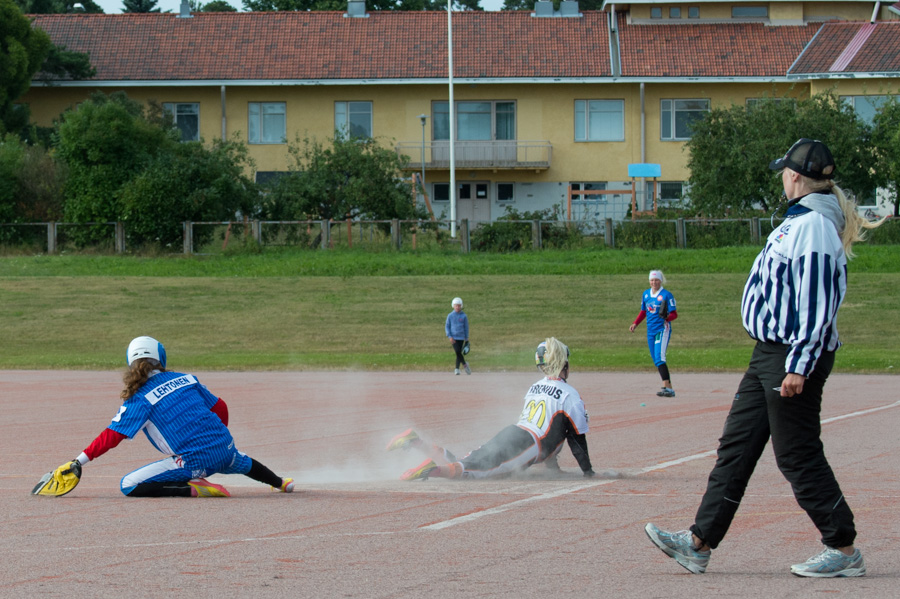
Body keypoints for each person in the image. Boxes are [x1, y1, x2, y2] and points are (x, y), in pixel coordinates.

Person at [645, 138, 885, 577]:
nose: (781, 176)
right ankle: (699, 543)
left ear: (794, 176)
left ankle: (844, 550)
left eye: (783, 171)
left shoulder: (812, 224)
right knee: (736, 448)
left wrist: (799, 363)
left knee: (797, 453)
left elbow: (817, 300)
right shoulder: (802, 220)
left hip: (790, 355)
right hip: (769, 354)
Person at [58, 336, 294, 497]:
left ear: (131, 363)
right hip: (226, 448)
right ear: (161, 357)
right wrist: (216, 439)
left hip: (195, 463)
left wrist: (79, 461)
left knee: (128, 485)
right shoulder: (187, 378)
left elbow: (112, 435)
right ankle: (281, 483)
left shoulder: (140, 398)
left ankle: (192, 489)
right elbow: (220, 407)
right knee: (241, 461)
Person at [387, 337, 594, 480]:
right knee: (470, 472)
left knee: (469, 462)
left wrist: (553, 470)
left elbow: (554, 431)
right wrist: (588, 472)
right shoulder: (570, 395)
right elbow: (576, 439)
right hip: (528, 444)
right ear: (563, 363)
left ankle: (417, 442)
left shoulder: (536, 386)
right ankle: (433, 470)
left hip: (513, 432)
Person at [629, 270, 677, 397]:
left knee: (660, 357)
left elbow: (674, 314)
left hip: (662, 329)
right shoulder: (646, 294)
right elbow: (644, 311)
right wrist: (635, 323)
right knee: (656, 359)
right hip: (650, 330)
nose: (654, 282)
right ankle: (669, 388)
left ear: (660, 281)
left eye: (656, 280)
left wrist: (666, 317)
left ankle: (666, 387)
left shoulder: (666, 295)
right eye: (652, 280)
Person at [445, 296, 470, 375]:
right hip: (453, 337)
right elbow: (447, 326)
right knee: (457, 351)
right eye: (456, 305)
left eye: (459, 305)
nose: (457, 307)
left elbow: (466, 327)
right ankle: (465, 365)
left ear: (461, 306)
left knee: (458, 353)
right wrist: (449, 336)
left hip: (461, 337)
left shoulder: (464, 316)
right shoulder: (450, 316)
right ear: (453, 306)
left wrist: (466, 338)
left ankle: (457, 369)